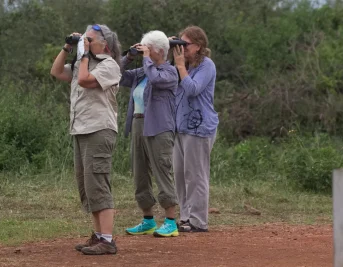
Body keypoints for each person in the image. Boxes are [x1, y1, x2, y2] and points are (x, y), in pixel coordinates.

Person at [50, 24, 122, 255]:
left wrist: (82, 56)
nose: (86, 43)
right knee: (87, 187)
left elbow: (83, 80)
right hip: (81, 129)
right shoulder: (84, 62)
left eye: (90, 39)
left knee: (98, 183)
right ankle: (99, 235)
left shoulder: (109, 65)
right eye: (85, 39)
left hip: (99, 129)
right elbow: (56, 72)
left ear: (105, 44)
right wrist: (68, 47)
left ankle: (108, 240)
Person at [120, 30, 179, 237]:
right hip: (138, 124)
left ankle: (171, 221)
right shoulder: (141, 72)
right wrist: (128, 56)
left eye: (148, 48)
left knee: (162, 170)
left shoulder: (170, 72)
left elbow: (156, 79)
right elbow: (116, 75)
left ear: (159, 51)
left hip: (160, 127)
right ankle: (148, 220)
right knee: (140, 173)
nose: (145, 51)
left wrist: (146, 59)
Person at [171, 26, 218, 232]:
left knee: (195, 175)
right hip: (180, 127)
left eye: (186, 44)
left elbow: (192, 90)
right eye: (180, 44)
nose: (182, 49)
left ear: (198, 46)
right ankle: (185, 217)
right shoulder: (184, 65)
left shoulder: (206, 65)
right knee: (180, 174)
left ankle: (198, 221)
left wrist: (181, 66)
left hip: (199, 128)